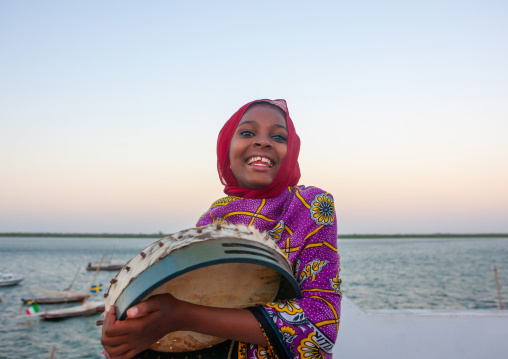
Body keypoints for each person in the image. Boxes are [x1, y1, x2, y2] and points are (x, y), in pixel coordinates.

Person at [101, 99, 342, 359]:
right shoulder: (211, 221)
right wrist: (130, 340)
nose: (263, 142)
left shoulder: (310, 205)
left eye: (278, 136)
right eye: (248, 133)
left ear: (291, 149)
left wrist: (181, 316)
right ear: (226, 148)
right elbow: (196, 335)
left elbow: (321, 327)